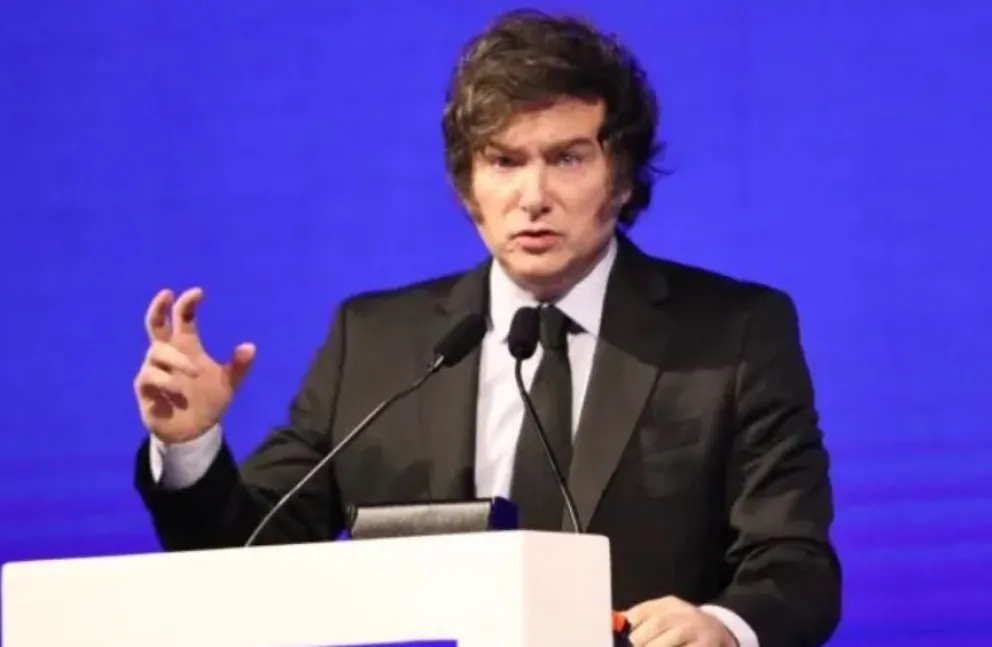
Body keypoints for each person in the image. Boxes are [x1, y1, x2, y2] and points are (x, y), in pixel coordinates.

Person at [132, 9, 841, 647]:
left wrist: (725, 626)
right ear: (467, 184)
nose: (533, 197)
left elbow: (794, 561)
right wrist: (190, 445)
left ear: (621, 178)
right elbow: (252, 559)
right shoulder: (375, 343)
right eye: (504, 161)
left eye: (567, 158)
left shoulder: (732, 334)